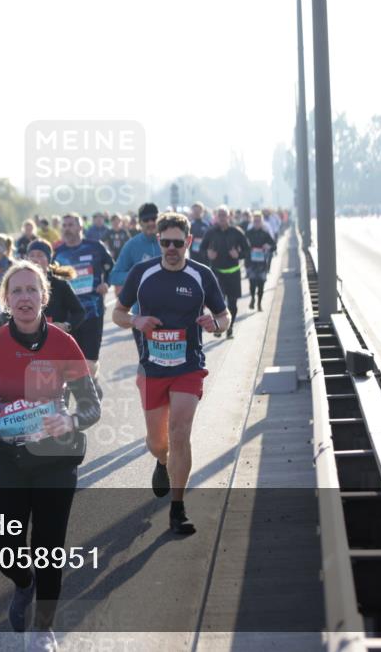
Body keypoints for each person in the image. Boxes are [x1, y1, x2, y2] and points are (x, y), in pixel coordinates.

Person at [0, 260, 101, 649]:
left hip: (54, 459)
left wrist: (71, 422)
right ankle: (23, 583)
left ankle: (43, 629)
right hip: (5, 457)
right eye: (16, 291)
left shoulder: (64, 343)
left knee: (48, 546)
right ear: (5, 301)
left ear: (44, 298)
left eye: (31, 290)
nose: (24, 297)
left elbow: (91, 405)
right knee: (5, 550)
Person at [112, 212, 230, 536]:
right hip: (152, 368)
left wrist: (216, 325)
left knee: (180, 431)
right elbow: (117, 313)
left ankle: (178, 509)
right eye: (166, 243)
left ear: (189, 241)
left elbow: (224, 315)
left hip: (188, 366)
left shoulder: (201, 275)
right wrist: (135, 321)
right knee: (157, 442)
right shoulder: (143, 273)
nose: (172, 248)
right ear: (159, 242)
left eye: (179, 242)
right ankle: (161, 462)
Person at [53, 213, 114, 397]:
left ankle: (92, 380)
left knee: (89, 360)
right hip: (69, 315)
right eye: (64, 225)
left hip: (92, 311)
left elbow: (112, 267)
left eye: (71, 224)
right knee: (70, 360)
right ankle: (74, 398)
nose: (67, 228)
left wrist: (107, 283)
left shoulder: (95, 247)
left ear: (80, 227)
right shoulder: (58, 254)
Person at [109, 203, 162, 352]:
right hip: (142, 313)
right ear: (140, 223)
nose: (151, 223)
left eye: (154, 218)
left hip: (171, 311)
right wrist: (139, 275)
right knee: (147, 362)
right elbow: (115, 276)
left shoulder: (169, 241)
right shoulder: (132, 245)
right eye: (146, 220)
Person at [201, 207, 249, 339]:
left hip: (233, 273)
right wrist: (208, 254)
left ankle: (230, 328)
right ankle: (218, 327)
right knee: (218, 303)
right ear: (216, 217)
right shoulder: (210, 232)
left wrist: (238, 254)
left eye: (225, 215)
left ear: (229, 216)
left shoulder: (237, 232)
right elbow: (201, 249)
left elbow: (247, 250)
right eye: (220, 215)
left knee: (232, 304)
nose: (222, 218)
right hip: (217, 273)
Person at [26, 239, 85, 334]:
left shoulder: (60, 285)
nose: (35, 259)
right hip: (28, 340)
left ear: (48, 260)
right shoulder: (19, 285)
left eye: (40, 255)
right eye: (31, 255)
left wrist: (66, 326)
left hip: (56, 339)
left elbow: (79, 312)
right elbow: (8, 313)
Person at [245, 211, 277, 312]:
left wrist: (269, 246)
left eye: (258, 221)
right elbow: (241, 245)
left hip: (262, 263)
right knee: (252, 283)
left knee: (261, 284)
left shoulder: (265, 233)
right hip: (250, 262)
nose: (257, 223)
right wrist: (247, 248)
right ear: (252, 222)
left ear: (262, 222)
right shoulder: (248, 233)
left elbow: (274, 246)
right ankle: (252, 299)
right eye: (255, 221)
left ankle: (259, 303)